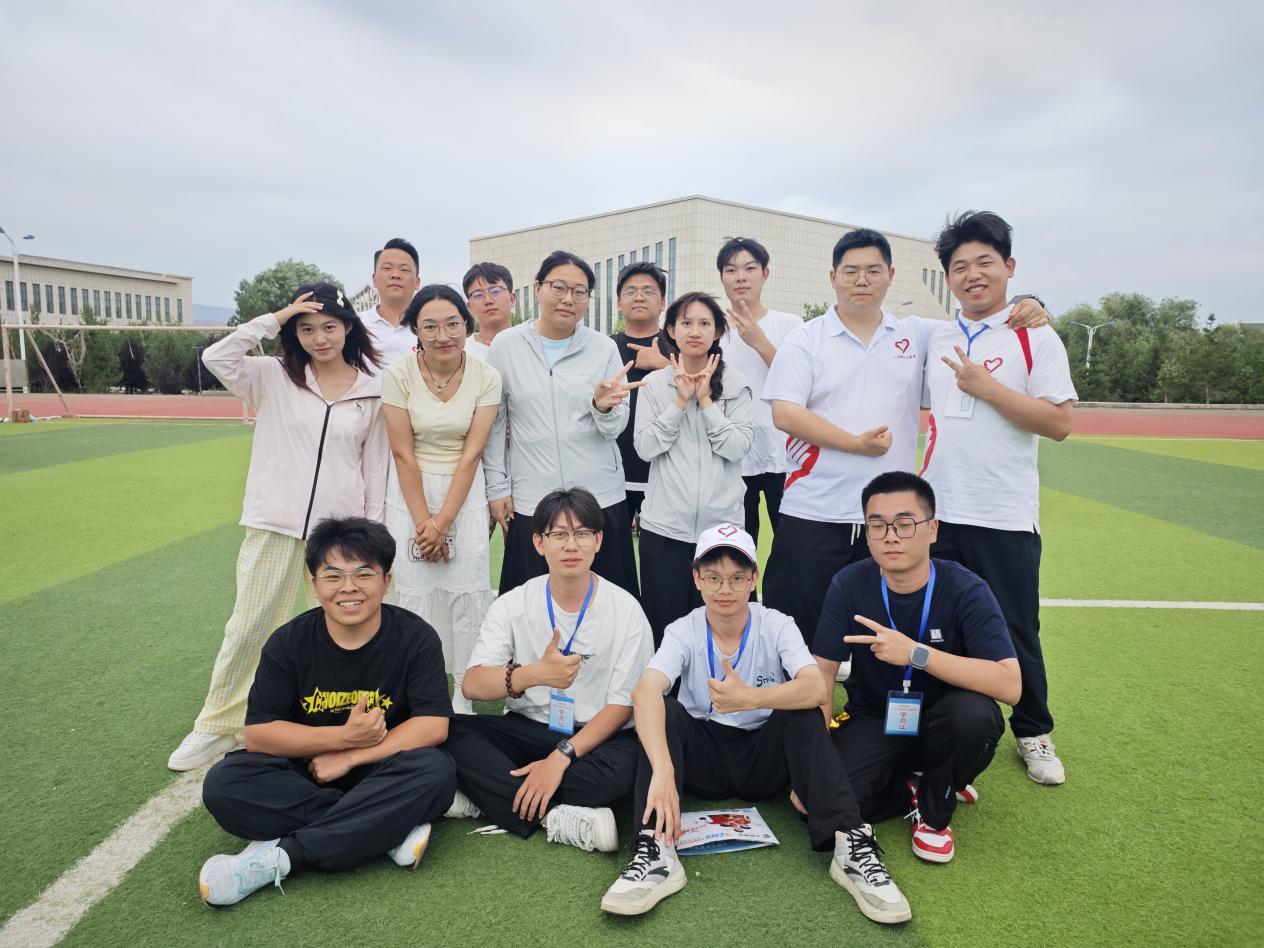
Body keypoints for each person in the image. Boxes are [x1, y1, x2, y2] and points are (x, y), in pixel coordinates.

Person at [601, 524, 910, 925]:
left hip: (763, 759)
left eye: (736, 577)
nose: (724, 589)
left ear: (753, 579)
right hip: (702, 757)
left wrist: (750, 698)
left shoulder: (777, 623)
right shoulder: (683, 629)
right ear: (697, 579)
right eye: (713, 577)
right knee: (666, 710)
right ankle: (655, 848)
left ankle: (849, 842)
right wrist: (662, 771)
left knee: (801, 709)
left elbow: (816, 686)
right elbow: (644, 691)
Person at [762, 228, 1050, 651]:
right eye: (851, 271)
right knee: (795, 624)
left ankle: (868, 694)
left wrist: (1030, 304)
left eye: (873, 271)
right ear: (833, 277)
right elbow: (785, 413)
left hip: (891, 518)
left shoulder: (920, 334)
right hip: (815, 507)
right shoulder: (806, 338)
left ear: (891, 275)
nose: (862, 280)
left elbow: (980, 322)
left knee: (885, 632)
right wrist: (855, 444)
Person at [168, 284, 388, 772]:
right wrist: (276, 317)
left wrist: (371, 533)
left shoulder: (373, 388)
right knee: (251, 624)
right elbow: (217, 357)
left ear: (348, 328)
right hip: (274, 524)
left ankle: (337, 722)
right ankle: (218, 723)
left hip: (339, 536)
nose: (319, 338)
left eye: (329, 327)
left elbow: (375, 468)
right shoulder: (271, 376)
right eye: (306, 329)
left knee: (344, 628)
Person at [198, 517, 456, 906]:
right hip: (305, 772)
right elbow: (260, 735)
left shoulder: (415, 638)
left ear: (386, 580)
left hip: (380, 768)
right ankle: (388, 827)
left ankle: (285, 856)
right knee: (224, 784)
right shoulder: (288, 643)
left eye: (363, 574)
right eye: (333, 576)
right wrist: (342, 738)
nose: (348, 587)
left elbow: (433, 725)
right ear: (315, 583)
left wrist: (352, 754)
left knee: (435, 771)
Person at [921, 211, 1077, 785]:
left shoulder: (1035, 336)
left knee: (1015, 628)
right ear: (947, 278)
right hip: (937, 513)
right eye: (960, 266)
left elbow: (1058, 423)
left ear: (1009, 266)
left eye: (985, 262)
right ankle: (932, 728)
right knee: (932, 626)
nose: (973, 275)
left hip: (1003, 513)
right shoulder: (935, 337)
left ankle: (1033, 730)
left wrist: (987, 389)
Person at [812, 472, 1020, 865]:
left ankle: (934, 808)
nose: (891, 537)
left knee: (975, 717)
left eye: (905, 524)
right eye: (878, 525)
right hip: (876, 716)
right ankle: (913, 785)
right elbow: (822, 673)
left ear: (932, 529)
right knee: (820, 803)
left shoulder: (966, 588)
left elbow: (1010, 685)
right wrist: (818, 761)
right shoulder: (849, 583)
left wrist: (916, 655)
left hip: (947, 720)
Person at [442, 488, 653, 852]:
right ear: (539, 542)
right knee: (448, 731)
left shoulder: (626, 610)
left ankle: (491, 796)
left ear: (598, 541)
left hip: (595, 738)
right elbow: (473, 684)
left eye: (582, 533)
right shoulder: (514, 603)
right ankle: (554, 815)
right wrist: (535, 674)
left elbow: (623, 707)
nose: (571, 545)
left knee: (628, 768)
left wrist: (560, 757)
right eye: (559, 534)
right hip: (530, 727)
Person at [483, 251, 644, 596]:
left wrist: (602, 408)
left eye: (580, 292)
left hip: (598, 496)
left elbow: (615, 428)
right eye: (559, 287)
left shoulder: (602, 348)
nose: (569, 299)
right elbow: (495, 423)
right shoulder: (506, 345)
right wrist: (497, 488)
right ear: (538, 288)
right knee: (532, 603)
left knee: (606, 601)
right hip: (532, 496)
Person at [381, 285, 502, 715]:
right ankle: (421, 686)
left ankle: (463, 693)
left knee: (466, 591)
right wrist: (424, 524)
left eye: (452, 324)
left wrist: (443, 522)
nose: (443, 335)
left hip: (464, 494)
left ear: (466, 325)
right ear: (416, 330)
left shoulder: (487, 376)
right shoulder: (397, 375)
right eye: (430, 326)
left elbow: (472, 452)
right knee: (415, 591)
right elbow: (402, 453)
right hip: (409, 492)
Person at [633, 292, 753, 644]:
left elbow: (737, 447)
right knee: (664, 628)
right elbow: (645, 447)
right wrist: (679, 401)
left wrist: (705, 401)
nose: (695, 331)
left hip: (722, 529)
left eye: (704, 323)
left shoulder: (736, 384)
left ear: (718, 331)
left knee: (719, 631)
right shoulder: (656, 384)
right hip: (664, 528)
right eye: (686, 323)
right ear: (671, 330)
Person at [715, 237, 803, 543]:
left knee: (790, 543)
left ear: (765, 274)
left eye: (749, 268)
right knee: (737, 544)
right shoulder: (711, 329)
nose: (740, 277)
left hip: (783, 454)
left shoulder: (791, 325)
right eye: (731, 270)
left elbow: (799, 382)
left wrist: (759, 341)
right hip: (732, 457)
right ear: (722, 277)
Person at [610, 261, 670, 525]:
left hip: (664, 471)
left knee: (662, 550)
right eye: (630, 291)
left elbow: (700, 393)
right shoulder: (604, 347)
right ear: (618, 303)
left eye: (648, 291)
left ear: (663, 302)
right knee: (610, 548)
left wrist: (663, 365)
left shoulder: (680, 347)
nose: (639, 297)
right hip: (613, 473)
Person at [357, 238, 422, 370]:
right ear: (374, 279)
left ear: (417, 282)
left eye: (404, 270)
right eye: (387, 268)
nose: (395, 275)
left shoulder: (429, 327)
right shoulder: (355, 326)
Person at [462, 262, 517, 362]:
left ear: (512, 298)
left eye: (495, 291)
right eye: (478, 295)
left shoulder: (532, 344)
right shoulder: (461, 353)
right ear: (469, 307)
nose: (488, 300)